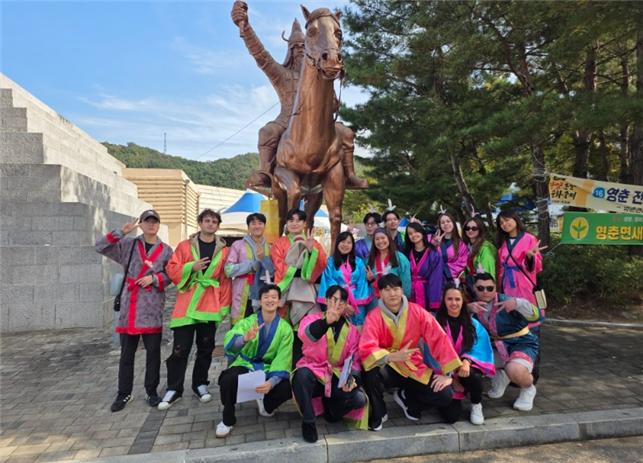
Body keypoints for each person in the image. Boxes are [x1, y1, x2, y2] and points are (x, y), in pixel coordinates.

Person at [230, 0, 366, 190]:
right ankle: (266, 173)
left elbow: (334, 104)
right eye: (295, 48)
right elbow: (260, 55)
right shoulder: (281, 74)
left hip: (320, 124)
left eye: (303, 46)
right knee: (267, 132)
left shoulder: (322, 74)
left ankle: (349, 175)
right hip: (287, 121)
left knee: (346, 133)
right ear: (290, 52)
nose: (300, 51)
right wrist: (245, 27)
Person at [359, 274, 462, 431]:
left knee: (445, 394)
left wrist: (447, 374)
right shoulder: (373, 317)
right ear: (380, 293)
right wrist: (390, 356)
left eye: (396, 289)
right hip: (388, 366)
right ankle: (379, 412)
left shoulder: (417, 312)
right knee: (370, 370)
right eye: (387, 290)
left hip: (412, 365)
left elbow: (439, 339)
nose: (392, 294)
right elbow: (367, 347)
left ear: (402, 290)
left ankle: (408, 398)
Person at [96, 210, 173, 412]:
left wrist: (154, 278)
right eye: (147, 221)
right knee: (126, 354)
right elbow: (100, 246)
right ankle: (124, 393)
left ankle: (151, 391)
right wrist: (120, 233)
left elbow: (172, 275)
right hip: (130, 305)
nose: (151, 224)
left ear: (159, 224)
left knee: (153, 353)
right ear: (141, 224)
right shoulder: (129, 244)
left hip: (152, 306)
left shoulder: (166, 250)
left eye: (155, 221)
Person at [160, 209, 231, 410]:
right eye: (207, 220)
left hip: (209, 305)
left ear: (218, 225)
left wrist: (223, 307)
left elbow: (225, 281)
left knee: (206, 348)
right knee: (180, 348)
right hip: (187, 304)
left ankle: (200, 383)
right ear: (200, 223)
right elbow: (172, 269)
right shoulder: (185, 246)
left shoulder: (224, 251)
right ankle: (174, 387)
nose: (210, 224)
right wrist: (191, 267)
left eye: (214, 221)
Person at [292, 286, 369, 443]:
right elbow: (306, 336)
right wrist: (326, 322)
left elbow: (354, 362)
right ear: (326, 301)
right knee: (300, 376)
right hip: (314, 371)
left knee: (359, 399)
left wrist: (352, 379)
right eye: (333, 299)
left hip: (336, 376)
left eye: (341, 301)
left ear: (346, 304)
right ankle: (308, 421)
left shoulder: (352, 331)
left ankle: (332, 412)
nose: (337, 304)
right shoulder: (310, 319)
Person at [216, 284, 293, 438]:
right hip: (247, 364)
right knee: (228, 379)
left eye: (274, 297)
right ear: (259, 301)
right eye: (266, 297)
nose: (270, 300)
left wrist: (271, 382)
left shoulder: (285, 329)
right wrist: (244, 338)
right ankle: (227, 419)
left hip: (268, 368)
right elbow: (230, 342)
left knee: (287, 386)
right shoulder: (248, 322)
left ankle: (266, 405)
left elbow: (283, 358)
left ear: (279, 301)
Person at [468, 273, 541, 412]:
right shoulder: (473, 305)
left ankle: (528, 388)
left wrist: (518, 304)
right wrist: (466, 309)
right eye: (481, 288)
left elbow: (536, 315)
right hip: (495, 346)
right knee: (471, 364)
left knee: (515, 370)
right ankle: (502, 377)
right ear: (474, 288)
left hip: (521, 343)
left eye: (490, 288)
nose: (485, 292)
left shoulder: (507, 301)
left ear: (495, 288)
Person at [271, 208, 327, 361]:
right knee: (283, 330)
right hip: (286, 290)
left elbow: (322, 263)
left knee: (303, 330)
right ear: (286, 223)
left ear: (304, 224)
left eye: (298, 220)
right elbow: (278, 264)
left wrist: (311, 251)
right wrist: (299, 270)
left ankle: (303, 362)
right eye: (291, 220)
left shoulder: (314, 242)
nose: (294, 224)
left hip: (305, 291)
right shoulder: (279, 243)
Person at [434, 286, 495, 425]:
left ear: (463, 302)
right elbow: (431, 353)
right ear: (443, 301)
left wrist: (467, 360)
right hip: (443, 372)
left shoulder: (473, 324)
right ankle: (444, 396)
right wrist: (452, 380)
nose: (453, 303)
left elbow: (480, 347)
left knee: (474, 376)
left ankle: (476, 404)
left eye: (457, 299)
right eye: (449, 299)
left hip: (463, 369)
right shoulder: (435, 323)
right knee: (451, 417)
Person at [496, 210, 545, 328]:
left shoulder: (529, 238)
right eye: (501, 223)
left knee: (528, 312)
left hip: (524, 283)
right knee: (512, 314)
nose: (504, 224)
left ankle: (531, 335)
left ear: (515, 219)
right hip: (507, 284)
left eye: (507, 220)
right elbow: (501, 266)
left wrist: (529, 257)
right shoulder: (503, 242)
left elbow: (537, 266)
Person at [225, 213, 275, 325]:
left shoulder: (270, 247)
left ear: (265, 226)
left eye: (260, 223)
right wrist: (250, 266)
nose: (257, 226)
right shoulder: (238, 245)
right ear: (248, 227)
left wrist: (264, 259)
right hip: (242, 293)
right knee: (240, 328)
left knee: (261, 327)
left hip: (264, 295)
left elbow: (273, 272)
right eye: (253, 223)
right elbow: (228, 270)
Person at [317, 231, 373, 326]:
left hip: (357, 301)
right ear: (337, 243)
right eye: (342, 242)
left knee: (359, 327)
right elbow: (329, 282)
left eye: (349, 242)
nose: (345, 245)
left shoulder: (359, 262)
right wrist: (343, 304)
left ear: (352, 245)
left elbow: (362, 283)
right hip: (336, 301)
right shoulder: (330, 262)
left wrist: (355, 304)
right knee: (338, 327)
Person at [404, 222, 444, 311]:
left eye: (416, 232)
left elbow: (436, 278)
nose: (413, 235)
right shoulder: (407, 253)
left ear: (422, 232)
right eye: (410, 233)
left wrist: (434, 302)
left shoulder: (433, 253)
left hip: (427, 293)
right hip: (411, 293)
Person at [366, 228, 411, 300]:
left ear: (389, 239)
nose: (380, 241)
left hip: (395, 298)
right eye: (377, 239)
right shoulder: (369, 259)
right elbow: (364, 283)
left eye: (383, 238)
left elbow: (406, 282)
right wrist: (368, 279)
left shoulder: (400, 258)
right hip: (375, 299)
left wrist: (404, 298)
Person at [430, 212, 469, 287]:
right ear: (440, 226)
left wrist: (444, 269)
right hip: (435, 279)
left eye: (448, 221)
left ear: (453, 223)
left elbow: (462, 263)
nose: (446, 224)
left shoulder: (461, 244)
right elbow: (428, 259)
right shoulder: (433, 240)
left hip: (452, 280)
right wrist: (434, 246)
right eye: (442, 222)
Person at [462, 216, 497, 298]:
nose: (470, 230)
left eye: (474, 228)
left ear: (480, 230)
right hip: (472, 284)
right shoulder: (468, 246)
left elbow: (488, 272)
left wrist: (484, 289)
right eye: (467, 228)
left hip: (483, 288)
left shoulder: (485, 248)